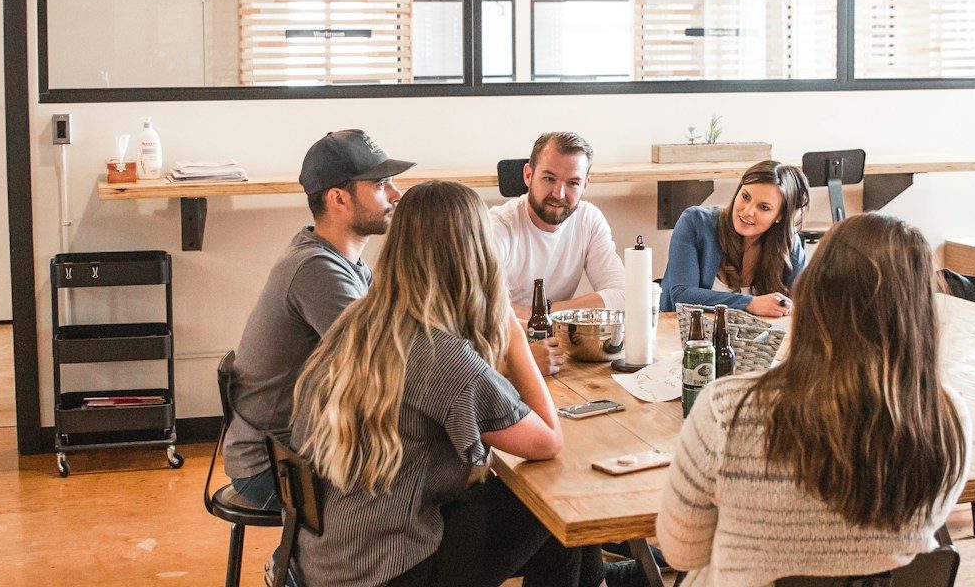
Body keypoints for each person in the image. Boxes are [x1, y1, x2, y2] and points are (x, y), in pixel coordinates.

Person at [287, 180, 599, 587]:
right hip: (388, 569)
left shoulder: (361, 321)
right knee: (558, 498)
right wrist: (513, 331)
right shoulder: (440, 355)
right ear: (475, 256)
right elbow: (547, 441)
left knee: (548, 523)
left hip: (333, 555)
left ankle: (598, 576)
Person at [658, 213, 972, 586]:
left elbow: (681, 553)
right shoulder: (946, 416)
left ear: (811, 293)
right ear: (922, 310)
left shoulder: (729, 409)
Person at [220, 129, 409, 510]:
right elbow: (388, 363)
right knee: (424, 488)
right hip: (276, 470)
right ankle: (300, 567)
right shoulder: (317, 270)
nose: (395, 194)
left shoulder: (343, 263)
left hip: (299, 451)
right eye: (379, 184)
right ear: (338, 198)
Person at [489, 131, 627, 375]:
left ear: (586, 184)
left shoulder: (589, 219)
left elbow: (624, 296)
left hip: (559, 355)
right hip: (504, 355)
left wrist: (545, 314)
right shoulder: (498, 226)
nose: (559, 194)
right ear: (528, 175)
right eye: (549, 179)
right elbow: (483, 311)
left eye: (572, 183)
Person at [659, 160, 810, 317]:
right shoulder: (695, 222)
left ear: (780, 215)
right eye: (745, 196)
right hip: (681, 337)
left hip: (757, 340)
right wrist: (749, 303)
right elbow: (682, 296)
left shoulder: (788, 242)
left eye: (764, 207)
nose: (748, 211)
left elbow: (805, 302)